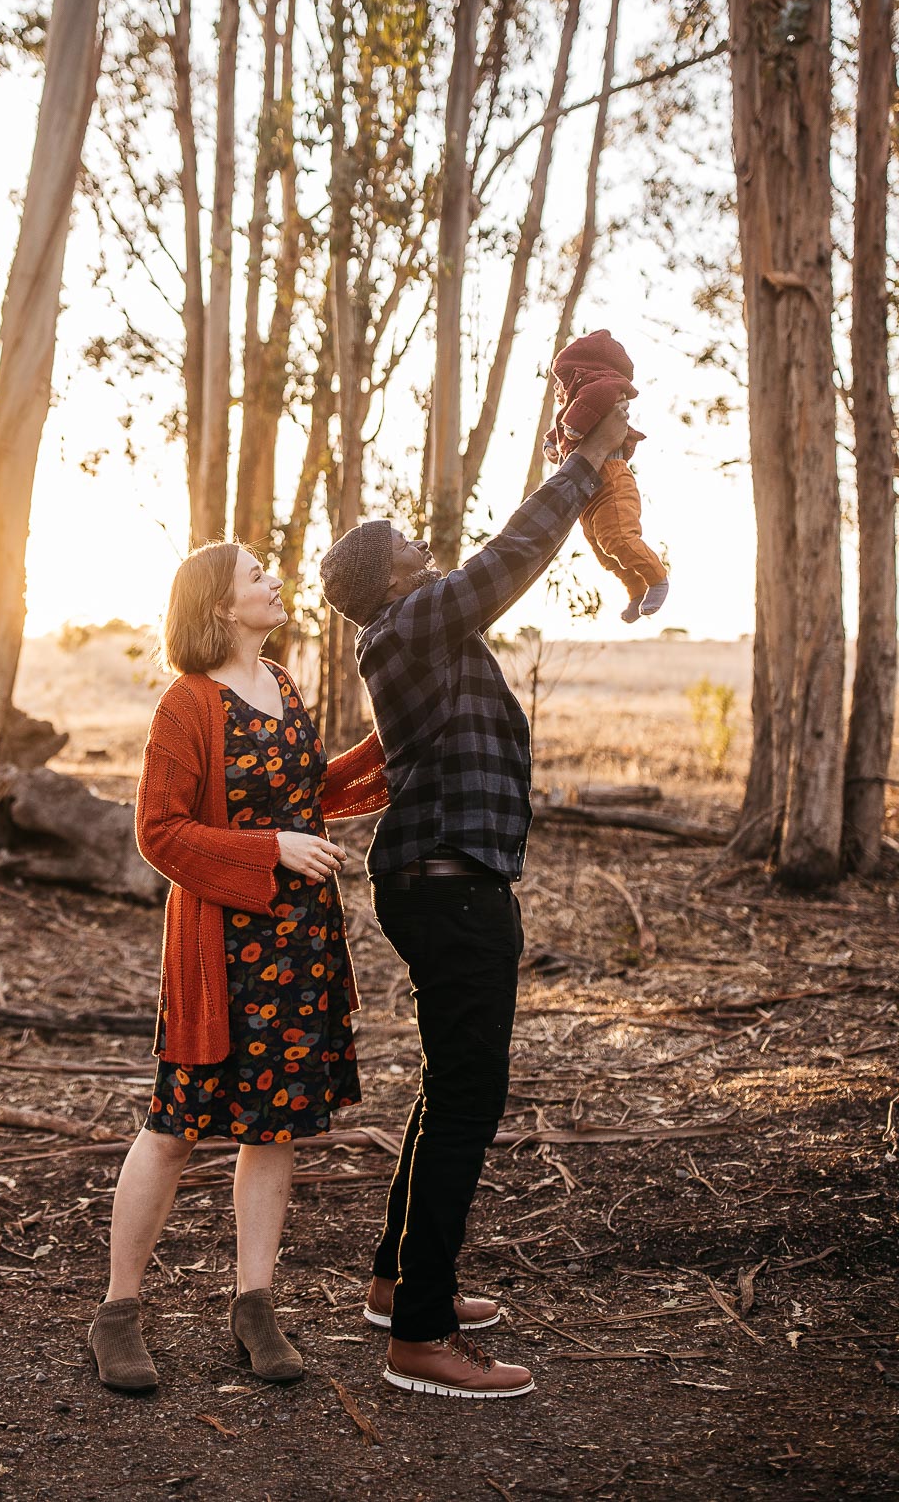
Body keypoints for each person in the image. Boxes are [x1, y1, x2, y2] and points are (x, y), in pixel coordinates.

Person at [319, 398, 630, 1401]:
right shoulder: (413, 620)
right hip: (451, 883)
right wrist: (584, 463)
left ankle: (397, 1281)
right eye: (410, 542)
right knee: (468, 1098)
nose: (425, 545)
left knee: (450, 1089)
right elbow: (509, 556)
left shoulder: (419, 630)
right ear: (393, 575)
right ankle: (421, 1333)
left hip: (443, 878)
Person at [88, 541, 388, 1393]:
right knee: (176, 1128)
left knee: (275, 1126)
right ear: (220, 603)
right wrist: (271, 849)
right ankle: (117, 1313)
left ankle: (254, 1304)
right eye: (256, 574)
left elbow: (309, 792)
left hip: (297, 946)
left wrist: (390, 745)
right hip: (219, 955)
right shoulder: (185, 706)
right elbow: (160, 832)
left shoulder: (283, 684)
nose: (274, 581)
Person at [543, 328, 669, 623]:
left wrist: (573, 426)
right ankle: (635, 589)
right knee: (603, 550)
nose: (558, 389)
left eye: (561, 381)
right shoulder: (577, 402)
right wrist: (553, 442)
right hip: (587, 491)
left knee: (619, 538)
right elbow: (563, 423)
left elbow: (588, 403)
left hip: (610, 481)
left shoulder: (604, 387)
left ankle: (657, 577)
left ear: (581, 371)